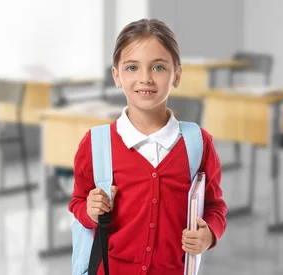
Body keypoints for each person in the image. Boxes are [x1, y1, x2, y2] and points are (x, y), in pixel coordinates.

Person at [68, 18, 227, 275]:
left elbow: (215, 206)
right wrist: (89, 211)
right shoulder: (96, 144)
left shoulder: (198, 143)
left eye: (158, 67)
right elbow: (77, 202)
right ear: (116, 75)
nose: (145, 78)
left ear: (177, 74)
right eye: (132, 68)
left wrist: (209, 234)